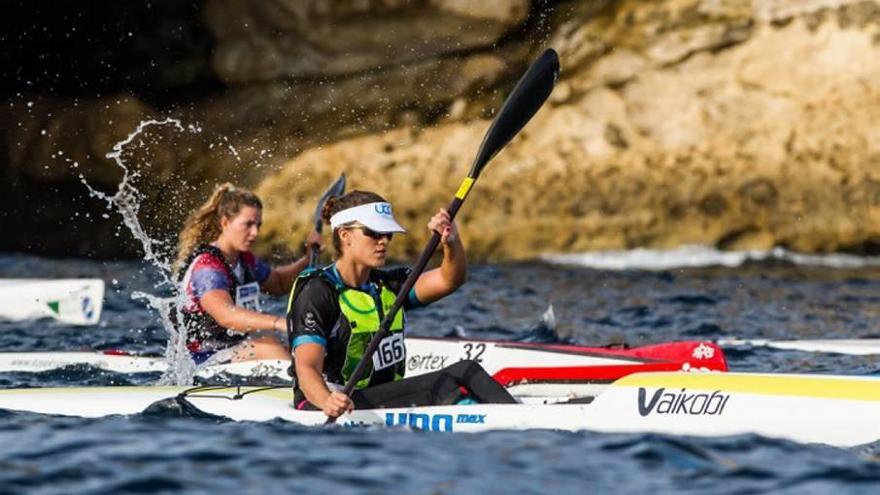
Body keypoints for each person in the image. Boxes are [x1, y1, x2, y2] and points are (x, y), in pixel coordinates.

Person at [288, 190, 516, 418]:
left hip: (374, 394)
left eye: (388, 234)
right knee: (440, 386)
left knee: (468, 369)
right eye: (374, 233)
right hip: (328, 401)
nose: (384, 241)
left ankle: (518, 415)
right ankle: (503, 421)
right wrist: (327, 401)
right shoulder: (318, 291)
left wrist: (451, 243)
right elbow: (307, 367)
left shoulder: (389, 284)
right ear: (345, 235)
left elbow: (450, 279)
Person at [174, 182, 322, 364]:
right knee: (270, 347)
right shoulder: (207, 267)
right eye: (248, 225)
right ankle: (306, 387)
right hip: (199, 358)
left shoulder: (245, 259)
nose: (255, 232)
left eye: (258, 225)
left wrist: (307, 259)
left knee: (297, 344)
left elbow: (279, 284)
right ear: (225, 223)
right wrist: (279, 322)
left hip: (231, 348)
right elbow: (226, 315)